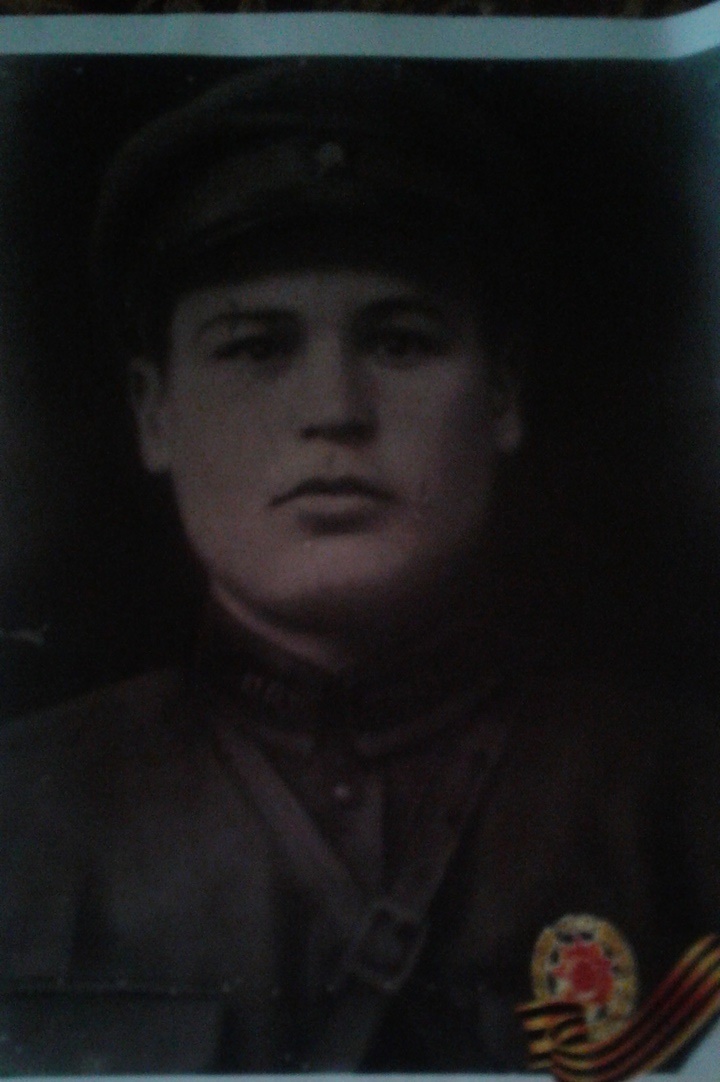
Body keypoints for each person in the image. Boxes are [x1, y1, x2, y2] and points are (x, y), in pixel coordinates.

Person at [0, 58, 717, 1076]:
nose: (334, 409)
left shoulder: (682, 805)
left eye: (402, 341)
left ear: (503, 396)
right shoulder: (24, 808)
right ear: (156, 413)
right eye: (256, 347)